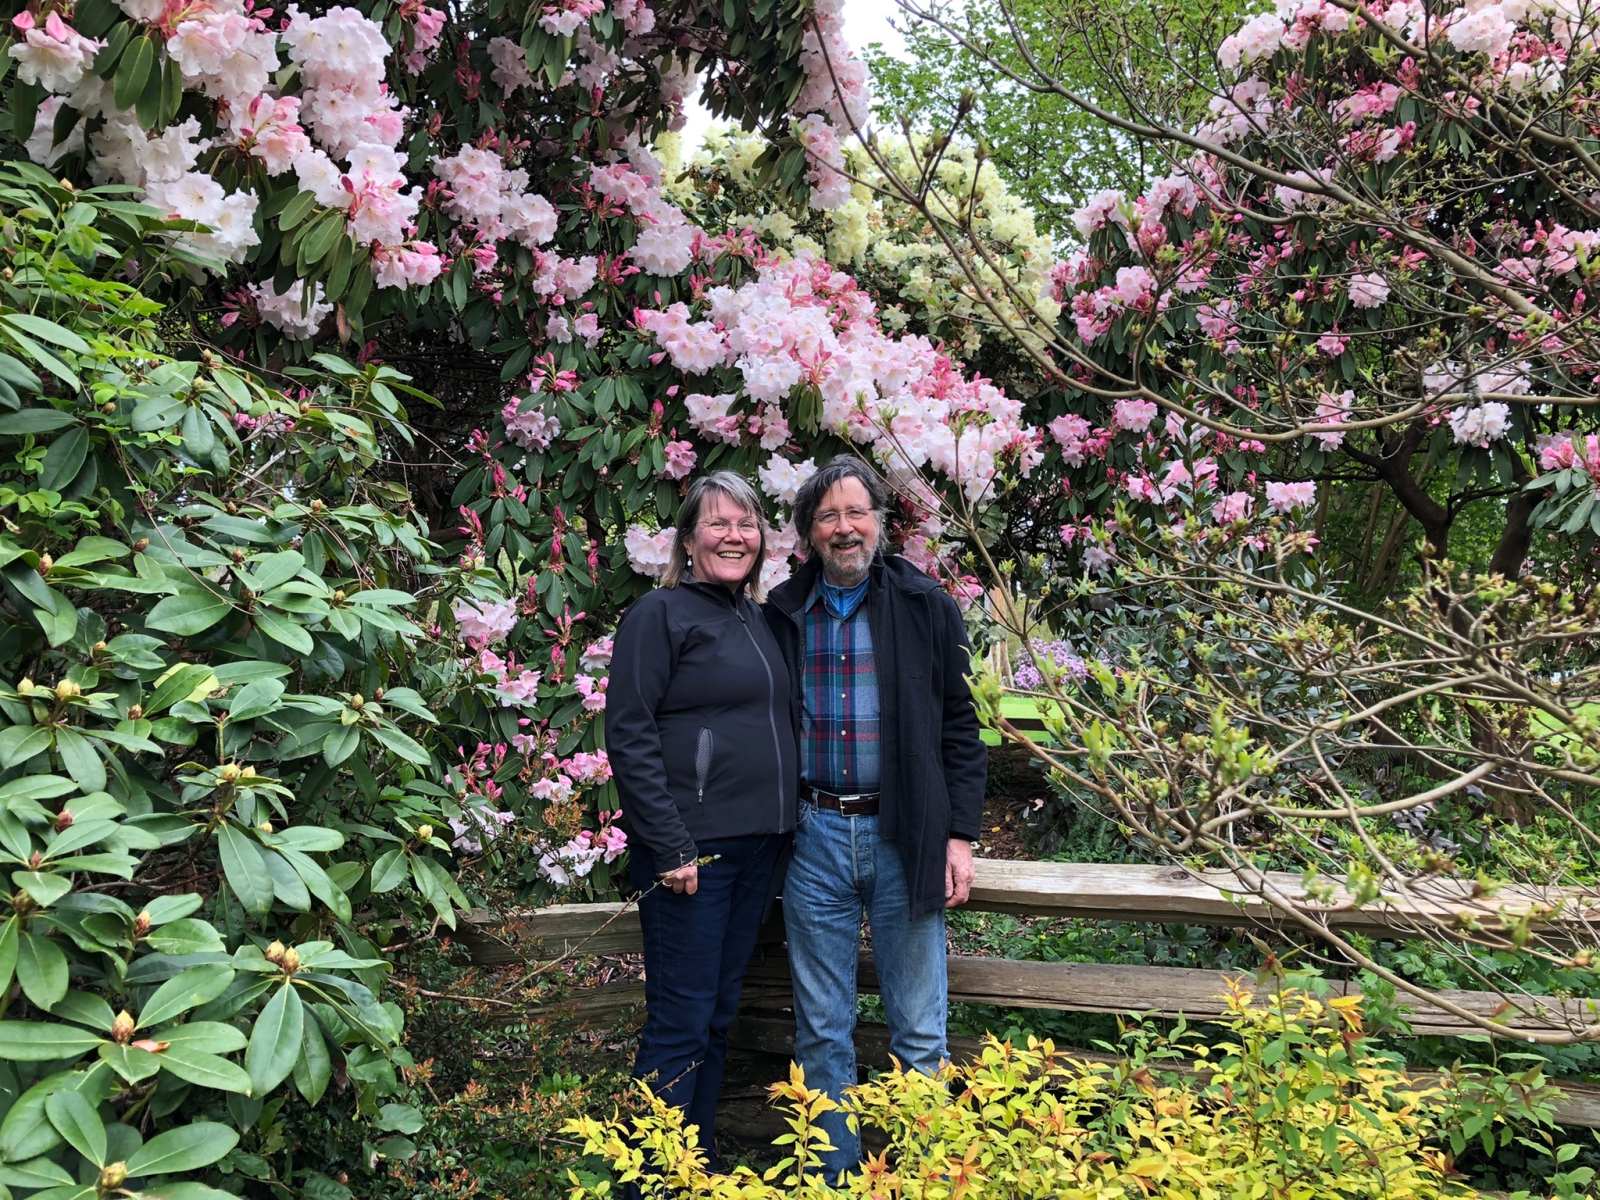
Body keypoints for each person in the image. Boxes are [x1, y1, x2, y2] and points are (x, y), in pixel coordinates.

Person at [764, 456, 987, 1179]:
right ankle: (835, 1181)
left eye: (856, 512)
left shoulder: (926, 606)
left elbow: (963, 727)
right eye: (827, 515)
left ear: (880, 522)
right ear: (809, 532)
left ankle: (922, 1179)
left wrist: (960, 835)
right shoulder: (782, 612)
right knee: (822, 1034)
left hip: (905, 835)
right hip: (815, 838)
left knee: (919, 1032)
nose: (844, 528)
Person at [606, 470, 798, 1164]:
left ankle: (696, 1167)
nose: (734, 536)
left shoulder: (759, 619)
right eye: (717, 523)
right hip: (694, 854)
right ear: (687, 540)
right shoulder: (659, 616)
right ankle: (646, 1179)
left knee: (716, 1017)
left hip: (759, 850)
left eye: (746, 524)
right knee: (680, 1023)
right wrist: (670, 844)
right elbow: (629, 733)